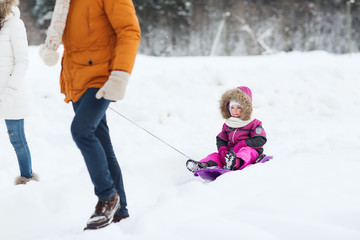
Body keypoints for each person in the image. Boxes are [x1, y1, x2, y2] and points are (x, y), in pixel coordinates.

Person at [39, 0, 141, 230]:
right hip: (77, 79)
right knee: (102, 143)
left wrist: (120, 75)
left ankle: (107, 197)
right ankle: (121, 210)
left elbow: (129, 31)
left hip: (102, 77)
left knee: (81, 131)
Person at [0, 0, 38, 185]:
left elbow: (22, 61)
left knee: (17, 140)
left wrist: (10, 90)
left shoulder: (15, 24)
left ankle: (27, 179)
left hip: (10, 93)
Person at [186, 86, 267, 172]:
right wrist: (223, 150)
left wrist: (243, 143)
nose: (235, 111)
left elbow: (260, 139)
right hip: (231, 153)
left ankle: (235, 163)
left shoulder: (254, 123)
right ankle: (203, 165)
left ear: (246, 108)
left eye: (238, 107)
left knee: (245, 152)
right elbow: (221, 138)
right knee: (215, 156)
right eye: (232, 108)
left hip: (251, 151)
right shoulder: (228, 124)